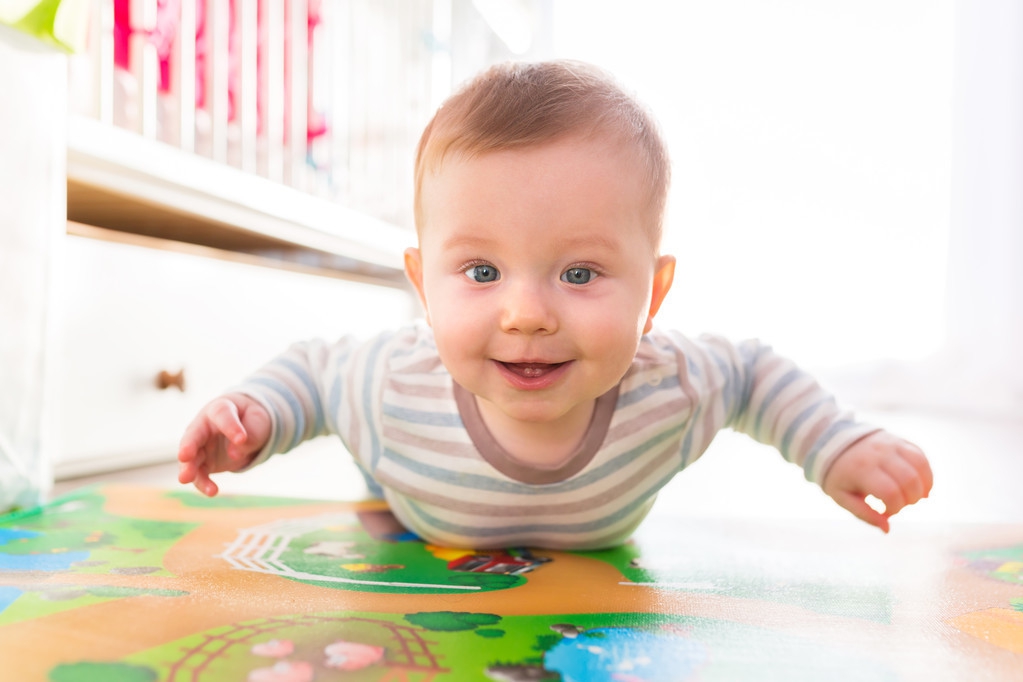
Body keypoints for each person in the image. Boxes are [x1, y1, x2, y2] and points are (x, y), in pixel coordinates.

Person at [177, 60, 932, 550]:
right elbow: (311, 373)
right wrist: (255, 417)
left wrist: (833, 445)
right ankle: (383, 480)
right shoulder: (387, 385)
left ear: (653, 294)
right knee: (373, 479)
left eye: (578, 275)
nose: (525, 314)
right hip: (414, 489)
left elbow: (753, 375)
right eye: (480, 270)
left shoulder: (672, 384)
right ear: (420, 285)